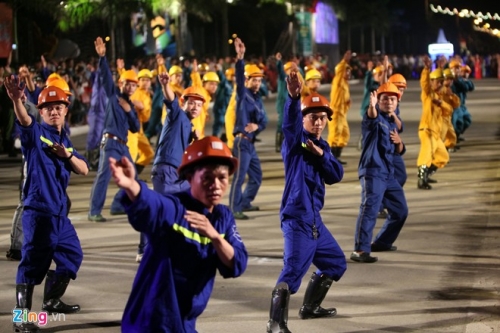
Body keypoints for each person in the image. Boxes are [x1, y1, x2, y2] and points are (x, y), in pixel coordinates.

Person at [111, 136, 248, 332]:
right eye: (207, 177)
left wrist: (215, 236)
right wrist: (131, 185)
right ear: (190, 177)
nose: (216, 185)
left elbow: (238, 263)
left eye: (222, 178)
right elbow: (153, 204)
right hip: (152, 321)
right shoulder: (175, 208)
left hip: (184, 322)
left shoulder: (222, 217)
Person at [3, 80, 89, 333]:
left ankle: (51, 301)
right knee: (31, 266)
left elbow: (83, 169)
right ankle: (20, 318)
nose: (54, 111)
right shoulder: (35, 133)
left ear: (65, 110)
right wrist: (17, 100)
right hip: (39, 212)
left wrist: (68, 155)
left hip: (60, 215)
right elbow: (25, 121)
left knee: (73, 255)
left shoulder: (66, 141)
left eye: (58, 106)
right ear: (40, 111)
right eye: (48, 107)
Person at [266, 72, 345, 333]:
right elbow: (289, 125)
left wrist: (322, 155)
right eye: (313, 117)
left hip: (314, 222)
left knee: (335, 263)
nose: (319, 122)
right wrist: (293, 97)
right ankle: (275, 324)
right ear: (303, 118)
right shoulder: (294, 144)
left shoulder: (323, 147)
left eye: (323, 118)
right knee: (292, 272)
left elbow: (336, 175)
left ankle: (310, 307)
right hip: (297, 219)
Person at [351, 82, 408, 263]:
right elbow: (371, 116)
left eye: (392, 99)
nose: (389, 102)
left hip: (388, 173)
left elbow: (398, 150)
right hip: (373, 171)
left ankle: (383, 242)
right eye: (384, 99)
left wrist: (399, 142)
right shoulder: (374, 120)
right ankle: (360, 250)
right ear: (378, 101)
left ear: (397, 103)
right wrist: (371, 105)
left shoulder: (392, 123)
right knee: (369, 209)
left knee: (400, 210)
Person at [88, 37, 140, 222]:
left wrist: (130, 112)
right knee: (104, 176)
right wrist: (102, 58)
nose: (130, 87)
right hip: (110, 142)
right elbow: (105, 77)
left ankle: (118, 205)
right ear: (121, 83)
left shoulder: (130, 105)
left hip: (123, 146)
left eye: (133, 85)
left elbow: (136, 128)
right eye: (127, 83)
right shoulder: (113, 95)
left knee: (133, 175)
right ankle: (94, 211)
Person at [229, 38, 268, 220]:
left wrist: (257, 126)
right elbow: (238, 77)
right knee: (239, 177)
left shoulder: (258, 100)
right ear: (247, 80)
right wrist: (240, 57)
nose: (258, 83)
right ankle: (234, 208)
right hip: (241, 142)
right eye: (255, 80)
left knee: (257, 176)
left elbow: (265, 121)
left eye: (260, 80)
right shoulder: (243, 95)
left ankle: (245, 202)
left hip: (250, 145)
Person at [417, 57, 452, 190]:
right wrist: (426, 69)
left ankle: (426, 174)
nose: (441, 84)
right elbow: (424, 83)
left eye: (442, 82)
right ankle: (421, 180)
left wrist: (441, 103)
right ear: (432, 82)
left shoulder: (439, 97)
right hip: (427, 130)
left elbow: (449, 109)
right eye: (439, 81)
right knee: (426, 154)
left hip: (436, 133)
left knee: (443, 157)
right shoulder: (428, 94)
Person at [328, 50, 352, 164]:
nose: (348, 73)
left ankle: (336, 156)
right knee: (334, 135)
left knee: (344, 134)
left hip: (342, 113)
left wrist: (347, 105)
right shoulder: (338, 81)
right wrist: (344, 61)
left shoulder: (345, 84)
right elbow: (340, 70)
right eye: (346, 71)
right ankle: (332, 158)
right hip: (335, 112)